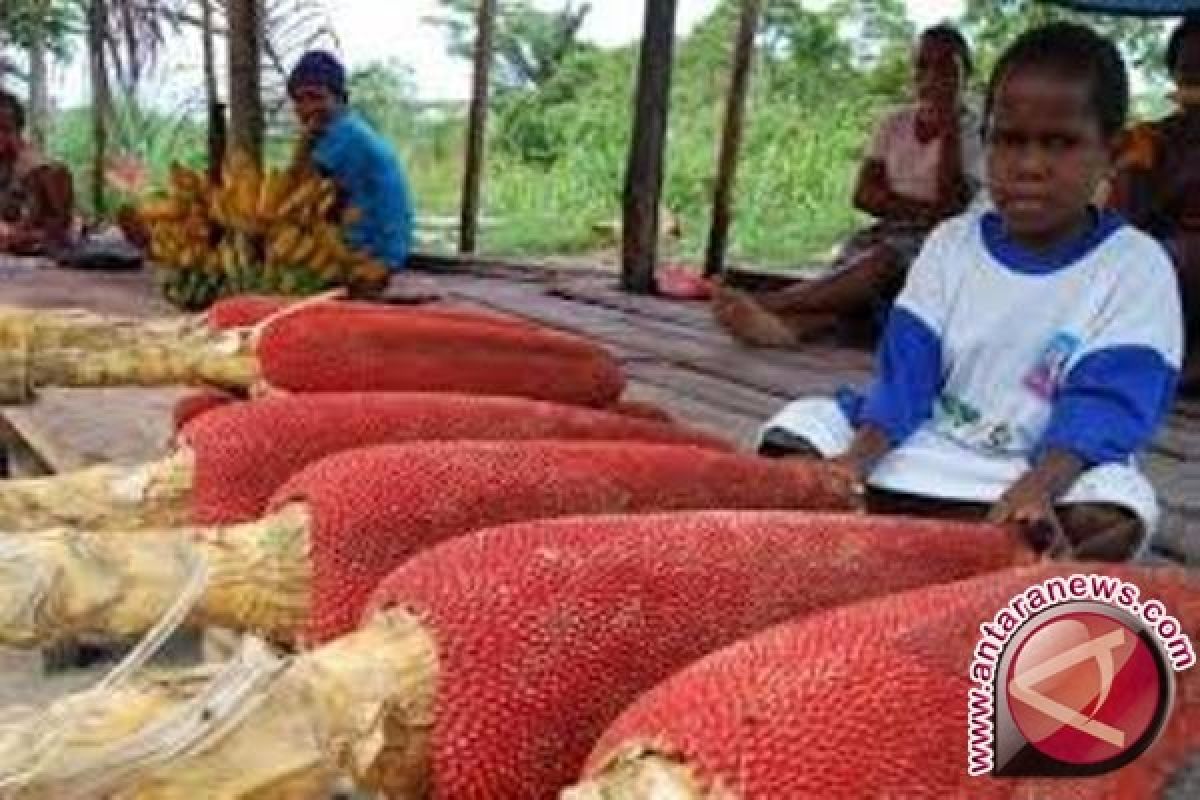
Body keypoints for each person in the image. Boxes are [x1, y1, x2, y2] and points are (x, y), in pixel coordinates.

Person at [757, 23, 1183, 563]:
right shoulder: (951, 245)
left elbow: (1106, 406)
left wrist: (1039, 487)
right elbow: (906, 376)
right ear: (985, 143)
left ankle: (912, 533)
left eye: (1060, 143)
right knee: (796, 433)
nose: (1030, 166)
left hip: (1049, 466)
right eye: (1010, 140)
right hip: (921, 444)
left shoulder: (1134, 266)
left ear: (1112, 152)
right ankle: (977, 545)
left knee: (1116, 511)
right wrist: (857, 460)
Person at [712, 25, 983, 348]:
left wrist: (949, 128)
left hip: (940, 242)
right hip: (888, 230)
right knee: (856, 275)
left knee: (881, 261)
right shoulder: (894, 123)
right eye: (923, 66)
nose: (931, 77)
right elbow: (864, 195)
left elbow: (951, 210)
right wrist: (921, 210)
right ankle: (784, 330)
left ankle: (771, 303)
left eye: (947, 68)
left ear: (966, 76)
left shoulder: (974, 132)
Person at [1108, 17, 1200, 392]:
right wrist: (1136, 168)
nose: (1194, 76)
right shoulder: (1151, 138)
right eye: (1188, 68)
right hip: (1169, 254)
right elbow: (1125, 218)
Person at [287, 50, 415, 274]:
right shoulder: (344, 131)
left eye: (316, 97)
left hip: (372, 256)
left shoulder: (347, 135)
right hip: (378, 250)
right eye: (299, 100)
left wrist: (303, 143)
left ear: (341, 99)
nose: (307, 108)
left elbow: (299, 193)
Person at [0, 89, 75, 258]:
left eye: (4, 128)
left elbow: (60, 233)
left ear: (14, 130)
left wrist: (15, 235)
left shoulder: (47, 173)